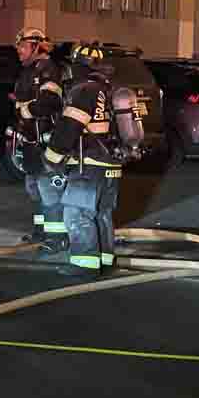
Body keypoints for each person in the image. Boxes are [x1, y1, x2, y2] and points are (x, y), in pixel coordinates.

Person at [41, 43, 123, 278]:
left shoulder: (84, 90)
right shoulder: (110, 89)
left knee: (77, 213)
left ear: (79, 66)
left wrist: (51, 158)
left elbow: (69, 128)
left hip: (88, 163)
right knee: (102, 214)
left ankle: (84, 263)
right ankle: (105, 259)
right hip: (111, 163)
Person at [9, 28, 66, 248]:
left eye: (22, 46)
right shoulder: (28, 71)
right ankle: (41, 231)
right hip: (30, 140)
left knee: (48, 191)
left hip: (46, 141)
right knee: (35, 190)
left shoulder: (49, 70)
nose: (18, 51)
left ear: (36, 47)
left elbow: (49, 102)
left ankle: (56, 238)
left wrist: (24, 110)